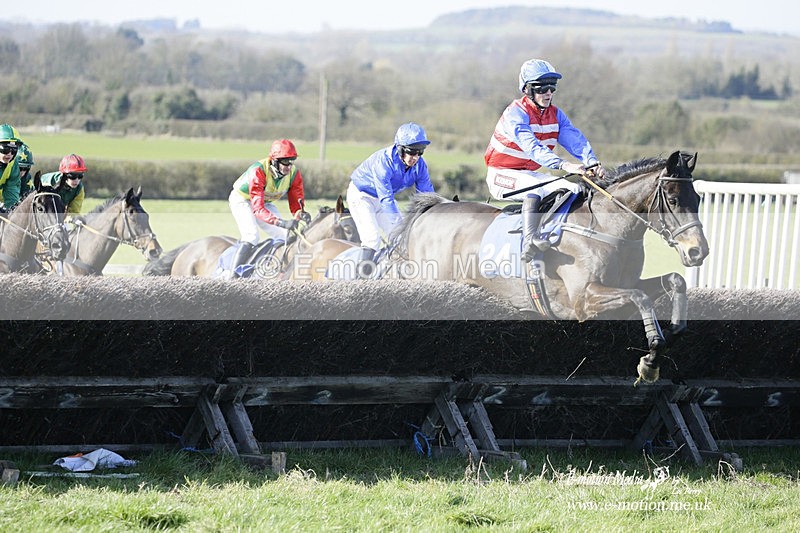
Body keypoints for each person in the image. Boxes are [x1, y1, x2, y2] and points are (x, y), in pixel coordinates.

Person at [485, 58, 605, 260]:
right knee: (537, 188)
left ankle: (558, 234)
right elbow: (533, 148)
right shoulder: (515, 114)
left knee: (574, 189)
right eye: (542, 88)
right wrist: (564, 165)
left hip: (527, 173)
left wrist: (591, 161)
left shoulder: (556, 115)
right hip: (501, 174)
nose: (548, 93)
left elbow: (576, 141)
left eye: (552, 88)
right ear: (528, 90)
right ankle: (529, 242)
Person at [347, 122, 434, 277]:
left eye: (420, 152)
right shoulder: (383, 162)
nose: (416, 157)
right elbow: (386, 199)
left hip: (382, 198)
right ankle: (358, 284)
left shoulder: (420, 166)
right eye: (412, 151)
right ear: (400, 148)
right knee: (373, 239)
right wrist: (398, 226)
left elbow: (427, 196)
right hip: (361, 196)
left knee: (402, 240)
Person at [227, 138, 308, 278]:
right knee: (251, 236)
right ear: (274, 160)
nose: (288, 166)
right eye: (285, 161)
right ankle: (232, 277)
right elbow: (257, 209)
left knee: (284, 236)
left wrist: (300, 212)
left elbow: (296, 200)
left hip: (265, 202)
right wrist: (280, 222)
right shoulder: (258, 171)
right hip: (243, 200)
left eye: (291, 160)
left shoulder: (294, 173)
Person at [0, 123, 24, 212]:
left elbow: (11, 192)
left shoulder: (13, 165)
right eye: (5, 149)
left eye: (14, 150)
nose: (9, 154)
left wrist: (11, 211)